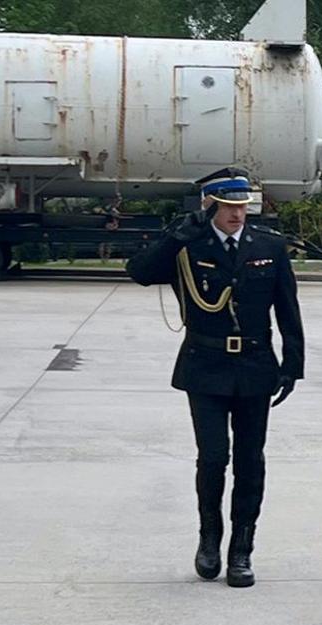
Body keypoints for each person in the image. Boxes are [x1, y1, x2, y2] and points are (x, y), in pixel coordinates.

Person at [125, 167, 303, 588]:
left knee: (250, 461)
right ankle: (209, 539)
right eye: (228, 208)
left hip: (256, 366)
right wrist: (174, 238)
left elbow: (288, 311)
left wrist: (293, 365)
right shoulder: (189, 247)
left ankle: (242, 549)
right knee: (213, 458)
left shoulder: (269, 247)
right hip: (205, 365)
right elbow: (139, 272)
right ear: (210, 207)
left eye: (242, 207)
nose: (237, 216)